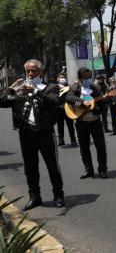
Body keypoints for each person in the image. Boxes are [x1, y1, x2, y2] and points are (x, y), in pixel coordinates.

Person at [0, 59, 65, 211]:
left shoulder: (50, 87)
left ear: (40, 72)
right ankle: (35, 197)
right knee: (30, 167)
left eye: (33, 71)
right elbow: (2, 102)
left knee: (52, 166)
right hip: (26, 133)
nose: (30, 74)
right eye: (28, 71)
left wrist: (35, 91)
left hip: (45, 132)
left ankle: (58, 195)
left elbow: (55, 102)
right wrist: (10, 88)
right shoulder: (19, 90)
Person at [66, 67, 111, 179]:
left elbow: (102, 107)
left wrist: (104, 101)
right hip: (81, 122)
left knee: (100, 146)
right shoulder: (75, 87)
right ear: (80, 78)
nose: (88, 79)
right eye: (85, 78)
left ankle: (102, 170)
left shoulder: (96, 87)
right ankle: (88, 170)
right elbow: (69, 97)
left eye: (89, 77)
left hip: (95, 121)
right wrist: (82, 102)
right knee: (84, 148)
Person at [56, 73, 77, 147]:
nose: (63, 78)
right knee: (60, 125)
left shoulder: (69, 86)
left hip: (68, 108)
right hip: (59, 109)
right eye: (61, 77)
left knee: (70, 125)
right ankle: (61, 140)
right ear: (58, 79)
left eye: (64, 77)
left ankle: (73, 140)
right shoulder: (55, 87)